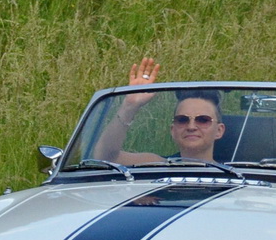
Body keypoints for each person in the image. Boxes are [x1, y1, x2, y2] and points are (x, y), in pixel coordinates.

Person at [88, 57, 228, 165]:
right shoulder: (157, 165)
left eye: (203, 120)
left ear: (219, 131)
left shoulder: (237, 175)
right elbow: (104, 157)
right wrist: (129, 106)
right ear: (173, 130)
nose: (191, 127)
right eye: (182, 120)